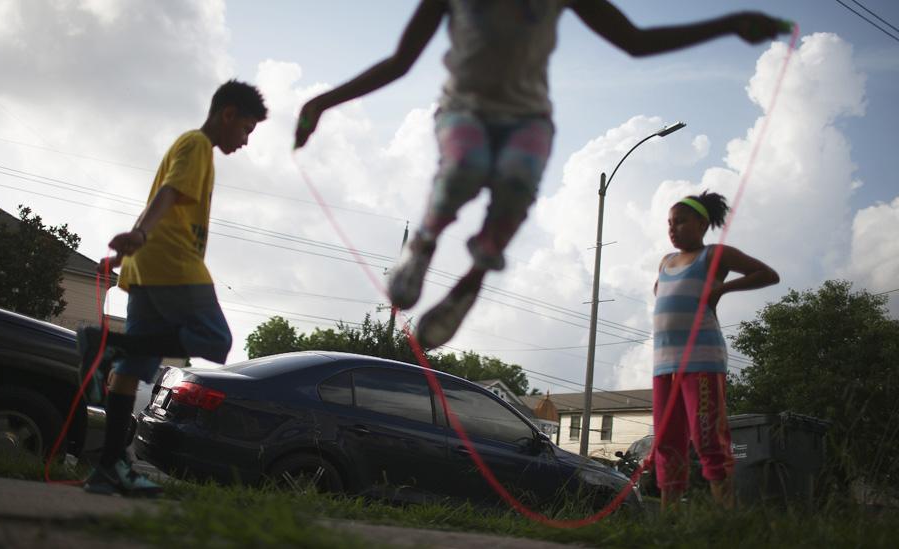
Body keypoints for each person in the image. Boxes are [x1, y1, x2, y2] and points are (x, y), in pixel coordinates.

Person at [293, 0, 790, 349]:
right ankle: (422, 244)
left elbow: (635, 41)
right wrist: (322, 101)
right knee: (465, 169)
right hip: (463, 110)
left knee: (514, 185)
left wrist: (727, 23)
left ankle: (468, 285)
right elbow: (402, 61)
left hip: (530, 118)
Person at [77, 80, 268, 496]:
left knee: (132, 371)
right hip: (174, 264)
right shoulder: (198, 145)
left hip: (147, 267)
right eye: (246, 130)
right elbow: (168, 192)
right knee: (216, 339)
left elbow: (159, 198)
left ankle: (107, 467)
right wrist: (142, 235)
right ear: (228, 114)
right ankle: (106, 345)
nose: (245, 141)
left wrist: (129, 250)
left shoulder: (188, 146)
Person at [652, 191, 779, 510]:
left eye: (680, 221)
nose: (673, 228)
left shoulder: (715, 254)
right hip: (663, 366)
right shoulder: (666, 262)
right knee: (667, 441)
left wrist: (722, 288)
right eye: (669, 223)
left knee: (707, 438)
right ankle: (669, 518)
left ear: (702, 223)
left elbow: (767, 274)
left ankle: (726, 515)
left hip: (702, 362)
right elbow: (661, 293)